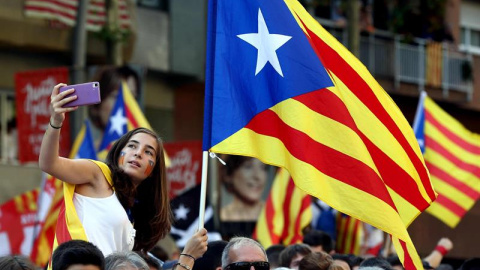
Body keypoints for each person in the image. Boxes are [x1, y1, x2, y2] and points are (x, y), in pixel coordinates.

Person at [39, 83, 173, 255]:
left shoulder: (133, 210)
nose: (138, 153)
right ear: (119, 153)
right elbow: (48, 164)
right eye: (132, 146)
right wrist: (56, 121)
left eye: (148, 152)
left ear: (155, 169)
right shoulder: (99, 173)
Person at [220, 155, 269, 221]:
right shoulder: (220, 216)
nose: (257, 176)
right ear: (229, 174)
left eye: (263, 167)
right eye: (248, 166)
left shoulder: (275, 214)